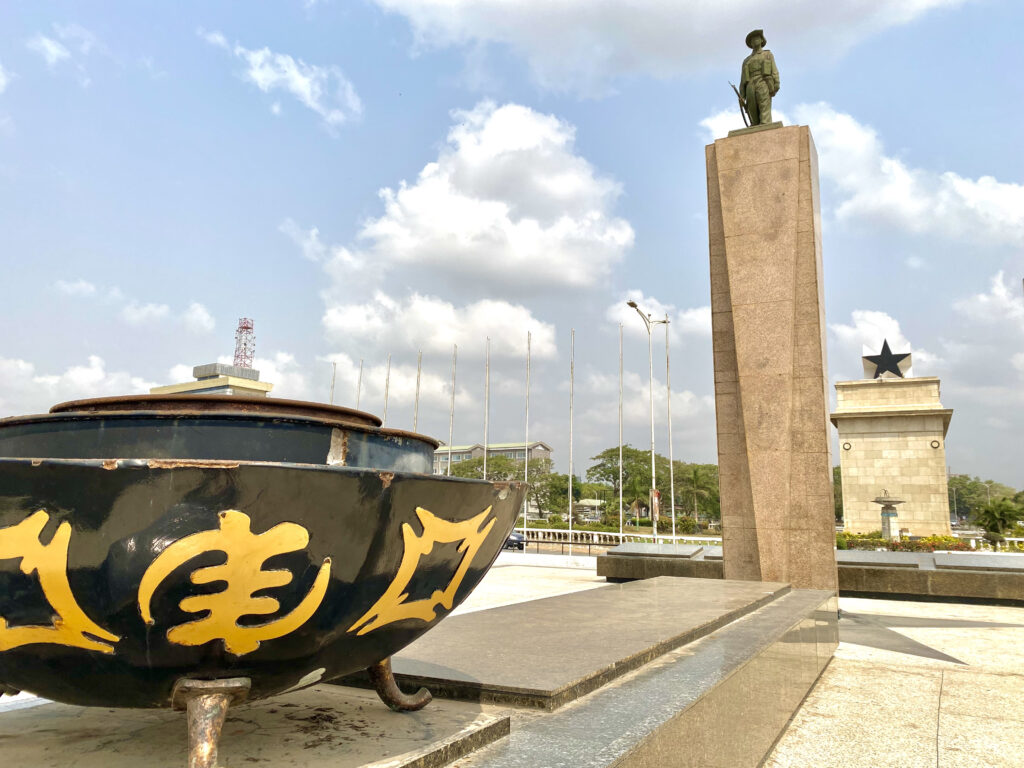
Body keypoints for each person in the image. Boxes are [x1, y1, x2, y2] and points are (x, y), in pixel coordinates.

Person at [740, 29, 780, 126]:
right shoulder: (747, 60)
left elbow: (774, 70)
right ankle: (755, 126)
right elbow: (742, 80)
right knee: (752, 109)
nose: (755, 41)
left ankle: (765, 126)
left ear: (762, 40)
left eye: (757, 38)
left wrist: (776, 83)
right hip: (750, 85)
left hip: (763, 82)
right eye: (752, 40)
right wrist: (742, 96)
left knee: (764, 106)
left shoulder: (767, 54)